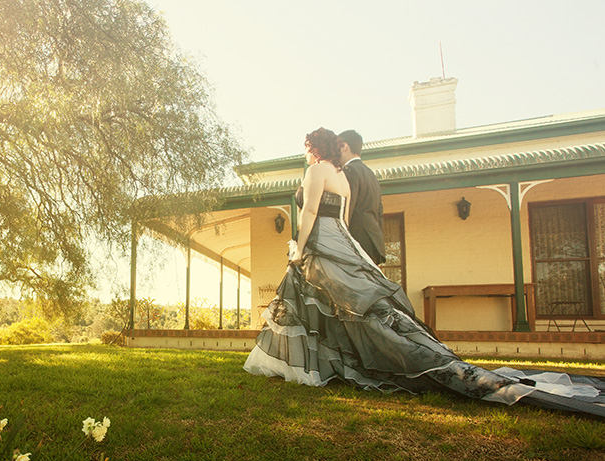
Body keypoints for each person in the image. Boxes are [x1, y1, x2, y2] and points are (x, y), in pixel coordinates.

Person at [244, 127, 605, 417]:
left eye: (306, 147)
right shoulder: (342, 176)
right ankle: (331, 366)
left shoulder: (315, 170)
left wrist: (300, 248)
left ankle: (315, 367)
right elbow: (343, 218)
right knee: (347, 309)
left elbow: (308, 215)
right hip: (343, 242)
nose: (305, 153)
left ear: (313, 148)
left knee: (325, 306)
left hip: (322, 242)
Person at [338, 129, 385, 265]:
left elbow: (348, 208)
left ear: (344, 146)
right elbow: (379, 212)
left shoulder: (349, 171)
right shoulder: (370, 174)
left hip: (358, 241)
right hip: (373, 242)